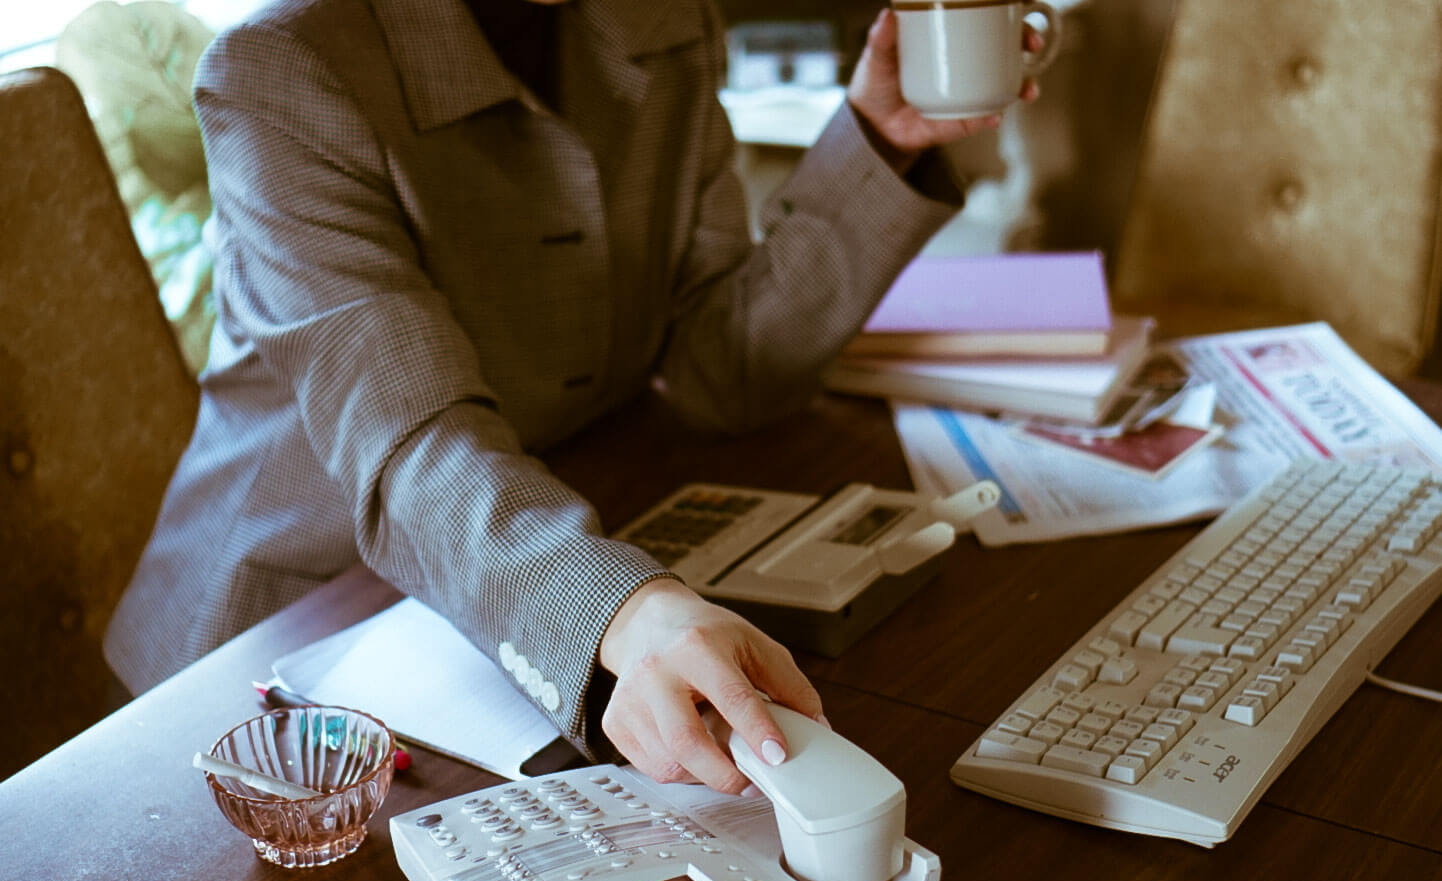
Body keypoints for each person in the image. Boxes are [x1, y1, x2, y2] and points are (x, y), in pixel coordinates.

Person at [104, 0, 1038, 794]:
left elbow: (722, 367)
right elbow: (412, 447)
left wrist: (877, 138)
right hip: (281, 645)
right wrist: (628, 616)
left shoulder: (663, 19)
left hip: (541, 557)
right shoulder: (283, 67)